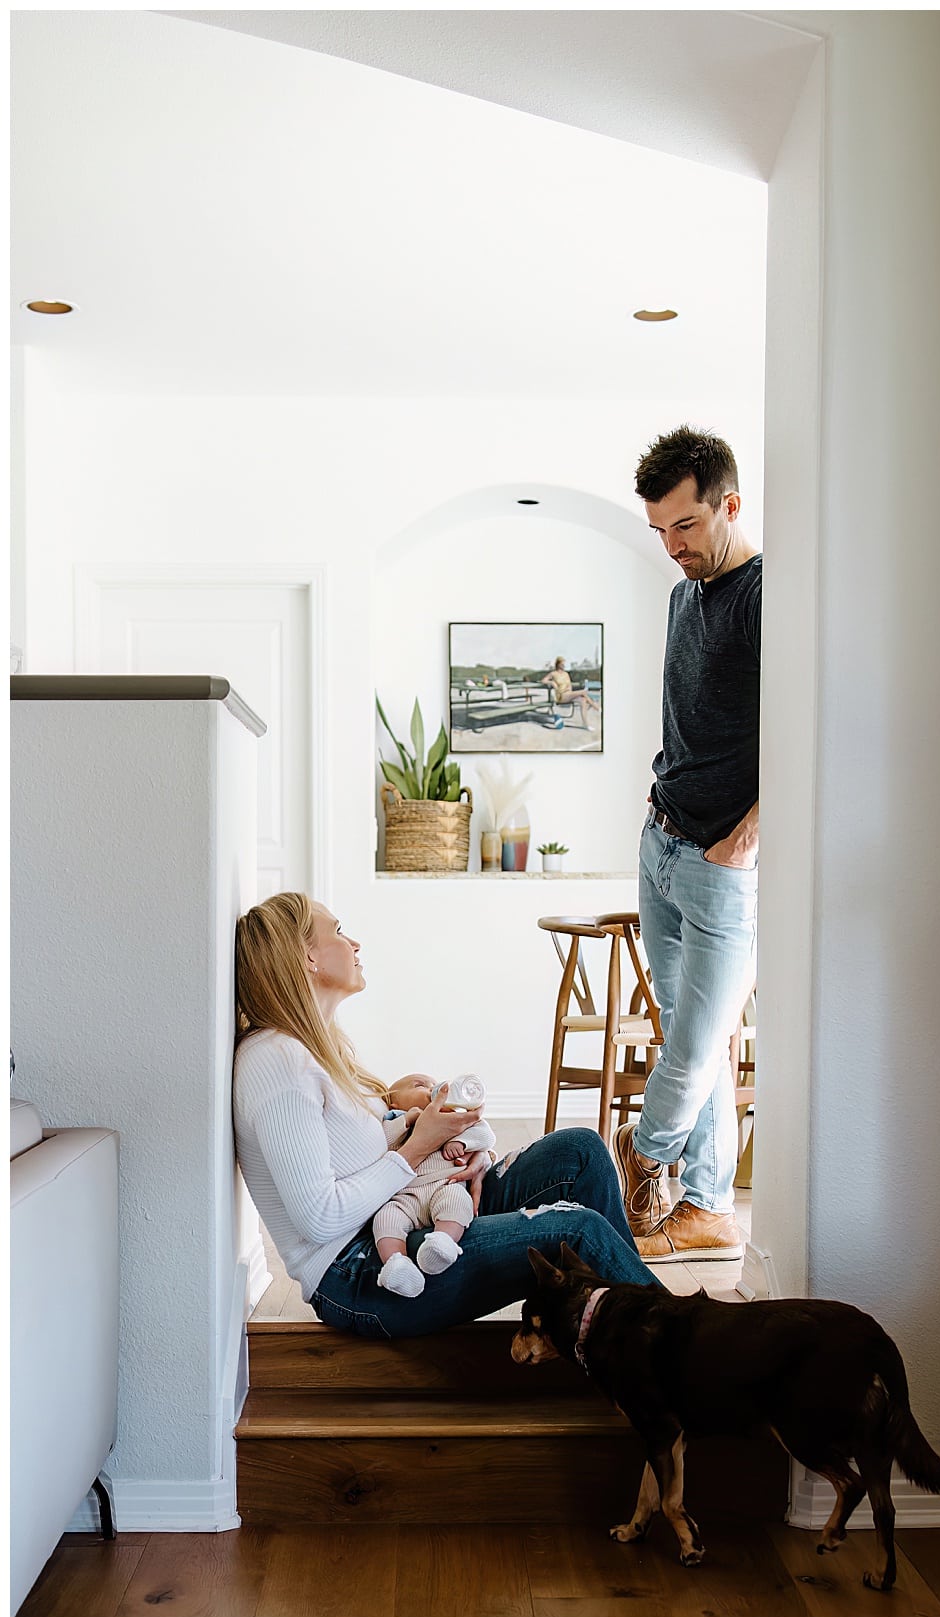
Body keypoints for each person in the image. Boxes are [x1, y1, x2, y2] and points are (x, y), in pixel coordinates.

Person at [233, 892, 657, 1337]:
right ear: (307, 958)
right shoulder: (275, 1062)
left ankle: (622, 1338)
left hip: (417, 1207)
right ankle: (674, 1340)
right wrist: (417, 1148)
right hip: (359, 1271)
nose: (355, 943)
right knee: (580, 1229)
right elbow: (318, 1219)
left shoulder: (316, 1049)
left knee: (580, 1151)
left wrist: (461, 1153)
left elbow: (374, 1148)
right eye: (338, 932)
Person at [613, 426, 760, 1261]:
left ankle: (643, 1151)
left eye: (687, 527)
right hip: (660, 843)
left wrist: (748, 837)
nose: (673, 548)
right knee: (687, 1037)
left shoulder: (766, 596)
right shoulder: (683, 596)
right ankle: (707, 1206)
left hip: (720, 863)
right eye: (660, 532)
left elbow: (803, 729)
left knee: (702, 1042)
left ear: (729, 505)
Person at [373, 1076, 496, 1297]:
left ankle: (442, 1244)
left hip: (445, 1185)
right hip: (405, 1196)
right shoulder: (395, 1119)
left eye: (433, 1085)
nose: (433, 1090)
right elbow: (383, 1142)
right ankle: (397, 1265)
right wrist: (407, 1120)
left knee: (458, 1203)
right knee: (385, 1219)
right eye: (420, 1086)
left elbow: (485, 1135)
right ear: (395, 1103)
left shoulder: (454, 1117)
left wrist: (462, 1143)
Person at [539, 657, 600, 726]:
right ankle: (596, 708)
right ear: (558, 664)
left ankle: (585, 723)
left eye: (564, 664)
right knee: (583, 692)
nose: (563, 665)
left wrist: (570, 691)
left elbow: (569, 685)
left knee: (583, 700)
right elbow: (543, 680)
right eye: (562, 664)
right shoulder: (553, 673)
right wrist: (552, 683)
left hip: (568, 694)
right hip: (561, 696)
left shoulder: (566, 674)